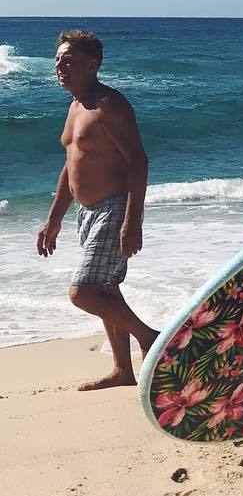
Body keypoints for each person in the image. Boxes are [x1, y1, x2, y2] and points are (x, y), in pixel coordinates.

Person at [36, 29, 158, 391]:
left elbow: (138, 161)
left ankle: (150, 338)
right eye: (58, 60)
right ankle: (123, 371)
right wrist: (54, 218)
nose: (60, 66)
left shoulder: (109, 104)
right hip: (87, 212)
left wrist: (131, 221)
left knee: (83, 292)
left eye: (68, 60)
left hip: (113, 208)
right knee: (105, 290)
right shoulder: (76, 106)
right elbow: (71, 166)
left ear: (92, 65)